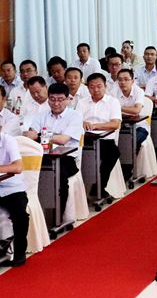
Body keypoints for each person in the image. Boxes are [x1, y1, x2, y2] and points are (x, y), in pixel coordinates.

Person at [24, 83, 82, 213]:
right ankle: (32, 212)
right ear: (48, 99)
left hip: (66, 159)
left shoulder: (75, 116)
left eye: (60, 99)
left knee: (58, 176)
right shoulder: (41, 116)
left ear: (68, 99)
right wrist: (47, 136)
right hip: (42, 156)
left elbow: (63, 140)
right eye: (52, 99)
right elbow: (31, 135)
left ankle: (58, 215)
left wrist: (40, 135)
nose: (56, 103)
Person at [81, 73, 123, 198]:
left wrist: (96, 126)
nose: (96, 90)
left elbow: (115, 124)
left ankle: (99, 186)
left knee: (113, 153)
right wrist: (83, 123)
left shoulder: (113, 102)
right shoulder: (83, 102)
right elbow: (76, 121)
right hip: (86, 138)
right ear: (88, 88)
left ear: (105, 86)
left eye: (99, 86)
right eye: (92, 87)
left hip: (105, 139)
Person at [0, 130, 30, 267]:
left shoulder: (8, 140)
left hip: (12, 187)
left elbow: (18, 167)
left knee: (20, 215)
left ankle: (19, 251)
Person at [113, 68, 149, 180]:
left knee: (131, 141)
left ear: (133, 80)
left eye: (126, 79)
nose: (122, 82)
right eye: (120, 80)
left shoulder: (138, 91)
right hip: (121, 126)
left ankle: (127, 170)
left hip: (140, 127)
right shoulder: (114, 91)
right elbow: (110, 110)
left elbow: (136, 110)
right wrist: (126, 109)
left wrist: (119, 108)